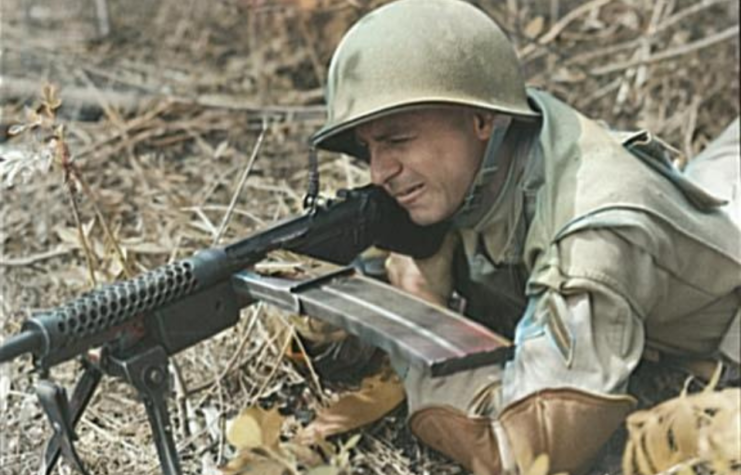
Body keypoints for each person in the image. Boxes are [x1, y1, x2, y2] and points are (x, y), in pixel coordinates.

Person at [304, 0, 741, 473]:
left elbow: (523, 455)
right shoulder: (480, 157)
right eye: (368, 148)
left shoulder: (593, 237)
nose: (380, 171)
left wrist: (422, 317)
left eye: (397, 139)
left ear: (481, 120)